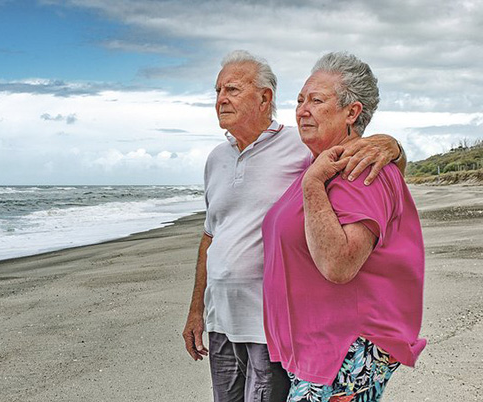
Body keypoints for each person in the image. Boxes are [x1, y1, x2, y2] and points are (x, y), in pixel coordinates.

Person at [182, 50, 406, 402]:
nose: (221, 98)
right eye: (217, 90)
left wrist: (393, 146)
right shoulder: (215, 159)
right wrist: (197, 310)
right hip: (220, 320)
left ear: (265, 98)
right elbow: (210, 236)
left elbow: (365, 170)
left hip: (270, 325)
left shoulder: (300, 147)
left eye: (233, 89)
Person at [262, 52, 426, 402]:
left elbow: (339, 264)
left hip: (345, 349)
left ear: (352, 112)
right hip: (316, 348)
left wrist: (312, 184)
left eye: (316, 100)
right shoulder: (319, 161)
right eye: (300, 100)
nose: (302, 109)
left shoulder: (362, 168)